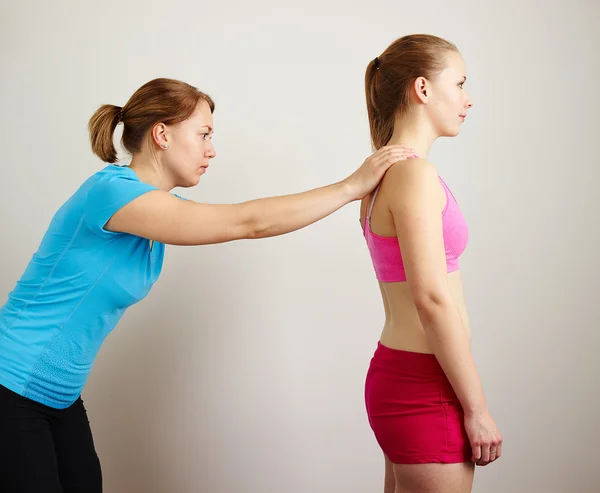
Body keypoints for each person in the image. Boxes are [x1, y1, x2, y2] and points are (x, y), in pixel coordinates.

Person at [0, 77, 416, 493]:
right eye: (203, 135)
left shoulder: (152, 211)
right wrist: (350, 187)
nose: (211, 150)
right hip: (11, 385)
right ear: (162, 134)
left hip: (58, 395)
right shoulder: (110, 193)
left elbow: (248, 222)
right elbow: (247, 222)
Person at [360, 35, 503, 493]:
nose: (468, 98)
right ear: (422, 89)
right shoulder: (414, 175)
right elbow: (432, 299)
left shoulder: (380, 173)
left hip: (401, 374)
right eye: (459, 84)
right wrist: (476, 408)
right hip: (426, 384)